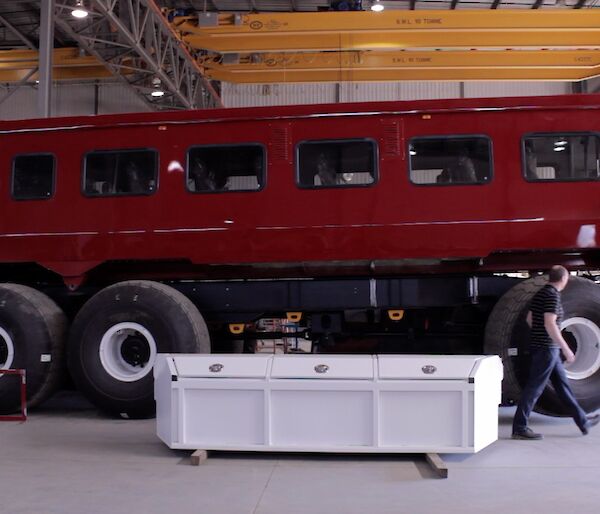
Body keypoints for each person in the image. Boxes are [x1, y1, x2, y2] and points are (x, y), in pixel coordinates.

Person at [512, 265, 600, 439]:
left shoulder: (540, 293)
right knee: (534, 389)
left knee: (563, 387)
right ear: (564, 279)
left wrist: (540, 335)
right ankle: (520, 428)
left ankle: (583, 422)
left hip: (544, 348)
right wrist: (565, 348)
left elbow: (530, 318)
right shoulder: (552, 296)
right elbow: (550, 323)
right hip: (548, 349)